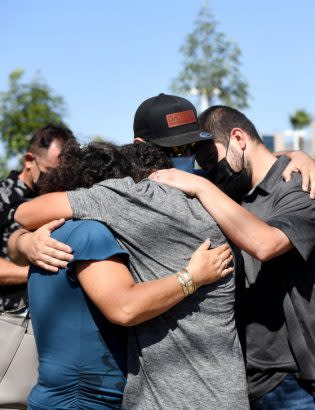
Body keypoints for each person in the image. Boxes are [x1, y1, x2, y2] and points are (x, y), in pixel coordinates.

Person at [12, 95, 251, 409]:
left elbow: (24, 215)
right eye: (177, 149)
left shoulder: (81, 221)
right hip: (94, 399)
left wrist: (23, 242)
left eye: (190, 148)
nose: (185, 159)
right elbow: (124, 308)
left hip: (61, 394)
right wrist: (191, 278)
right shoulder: (96, 228)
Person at [149, 105, 315, 409]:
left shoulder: (301, 186)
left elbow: (265, 244)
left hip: (293, 381)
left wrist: (199, 186)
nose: (210, 172)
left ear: (238, 138)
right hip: (237, 380)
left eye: (212, 161)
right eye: (204, 167)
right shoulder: (230, 188)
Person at [0, 124, 76, 313]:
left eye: (63, 175)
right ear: (28, 160)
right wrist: (37, 274)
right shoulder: (3, 196)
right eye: (51, 172)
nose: (57, 180)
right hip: (8, 321)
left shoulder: (60, 197)